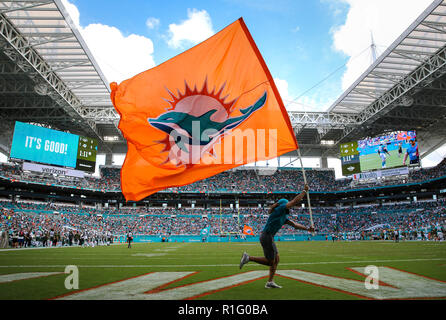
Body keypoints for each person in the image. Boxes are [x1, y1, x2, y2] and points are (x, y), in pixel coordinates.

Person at [239, 184, 314, 289]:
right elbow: (294, 202)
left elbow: (295, 225)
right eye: (288, 204)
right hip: (267, 236)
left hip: (269, 237)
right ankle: (248, 258)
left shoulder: (283, 216)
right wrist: (304, 192)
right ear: (283, 204)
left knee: (276, 259)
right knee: (271, 262)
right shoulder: (280, 209)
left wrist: (307, 229)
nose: (290, 206)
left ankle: (270, 282)